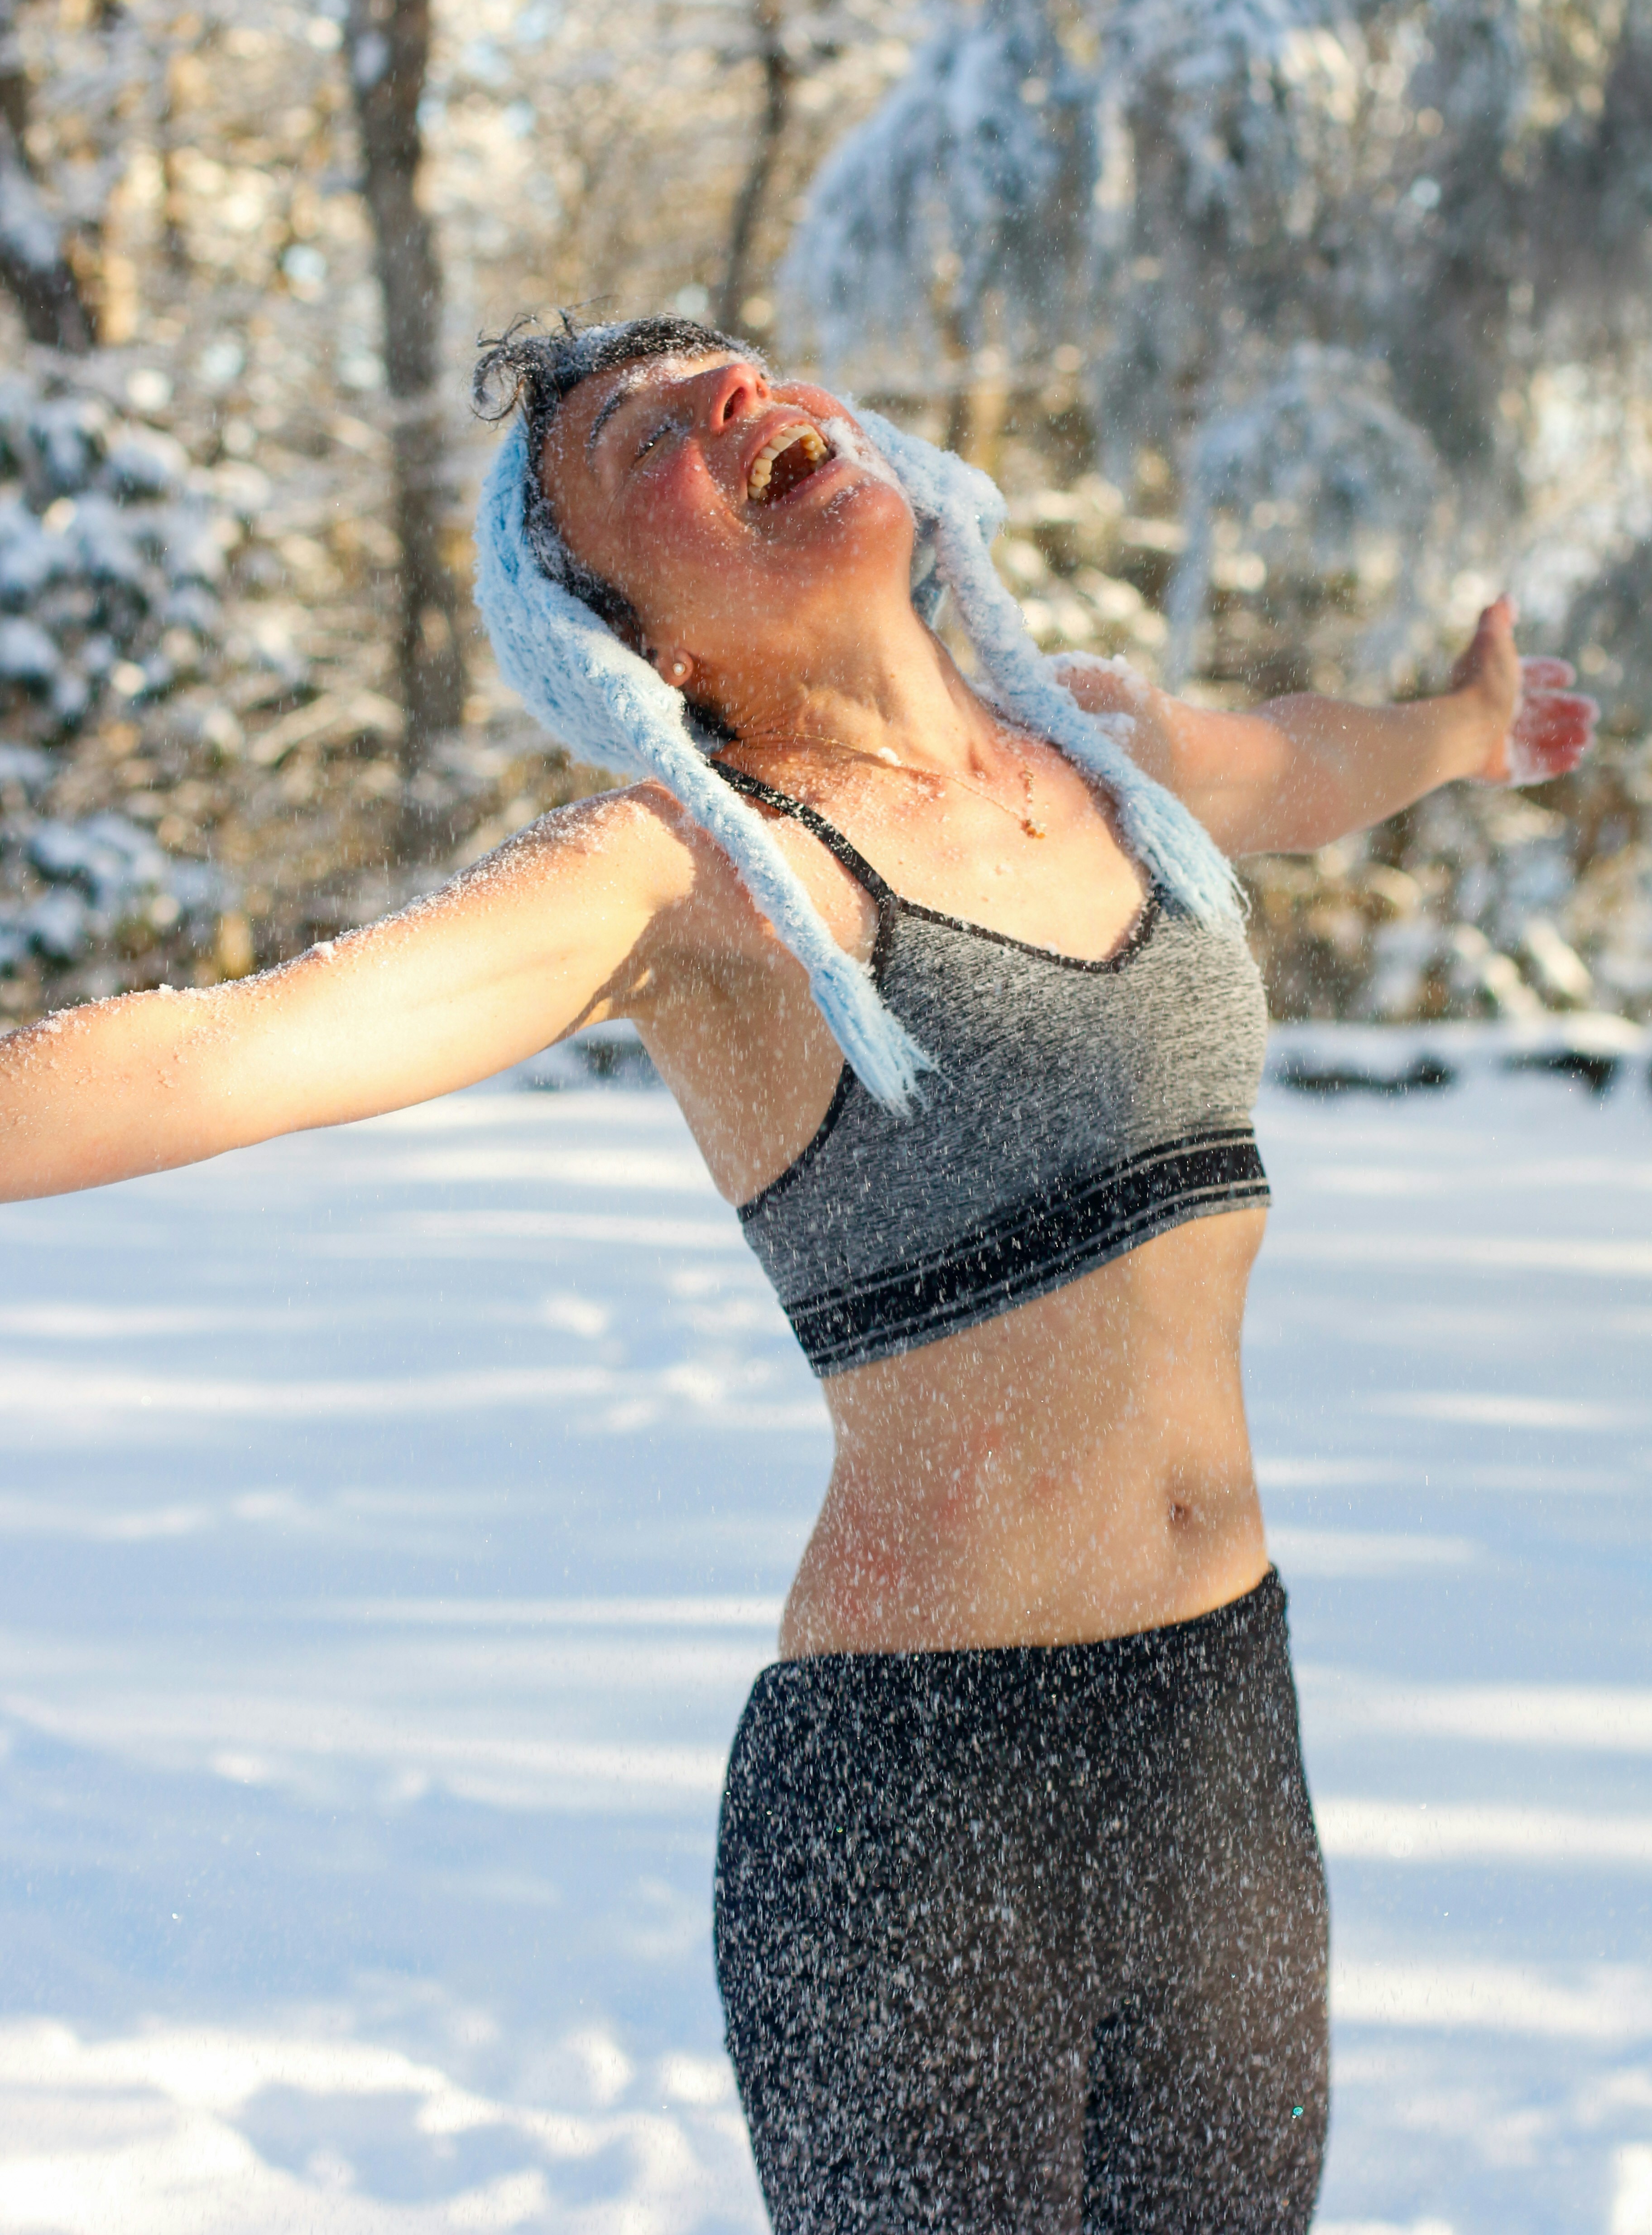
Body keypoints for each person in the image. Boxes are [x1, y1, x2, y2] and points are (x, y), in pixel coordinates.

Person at [1, 314, 1595, 2233]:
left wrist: (1465, 732)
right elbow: (221, 1049)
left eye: (733, 368)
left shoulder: (1100, 745)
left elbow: (1307, 761)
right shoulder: (696, 876)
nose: (727, 399)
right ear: (640, 643)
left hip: (1220, 1743)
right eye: (644, 436)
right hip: (923, 1810)